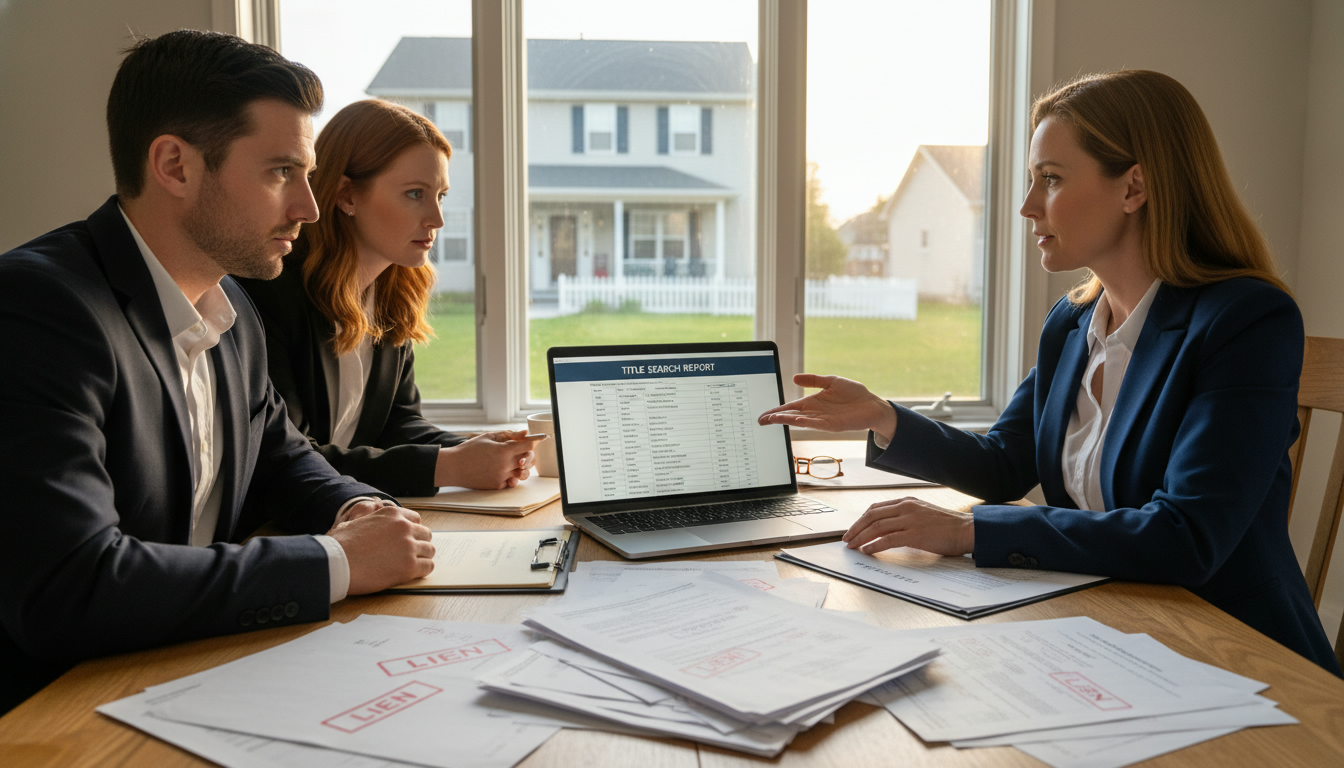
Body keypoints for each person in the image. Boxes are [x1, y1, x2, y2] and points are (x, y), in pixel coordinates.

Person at [759, 70, 1342, 675]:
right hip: (1111, 625)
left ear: (1134, 187)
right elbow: (1005, 462)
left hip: (1233, 652)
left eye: (1052, 179)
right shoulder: (1072, 322)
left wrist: (969, 533)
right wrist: (885, 418)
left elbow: (1186, 536)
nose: (1027, 205)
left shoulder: (1245, 321)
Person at [0, 31, 437, 715]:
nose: (309, 208)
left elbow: (283, 459)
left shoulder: (231, 306)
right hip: (55, 712)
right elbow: (71, 586)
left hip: (184, 670)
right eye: (280, 173)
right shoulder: (39, 308)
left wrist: (360, 510)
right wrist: (339, 561)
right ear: (174, 165)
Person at [237, 100, 539, 498]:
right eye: (415, 193)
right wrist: (448, 465)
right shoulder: (270, 294)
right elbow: (289, 458)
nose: (437, 218)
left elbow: (398, 423)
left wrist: (471, 448)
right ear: (346, 196)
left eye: (441, 195)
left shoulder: (392, 293)